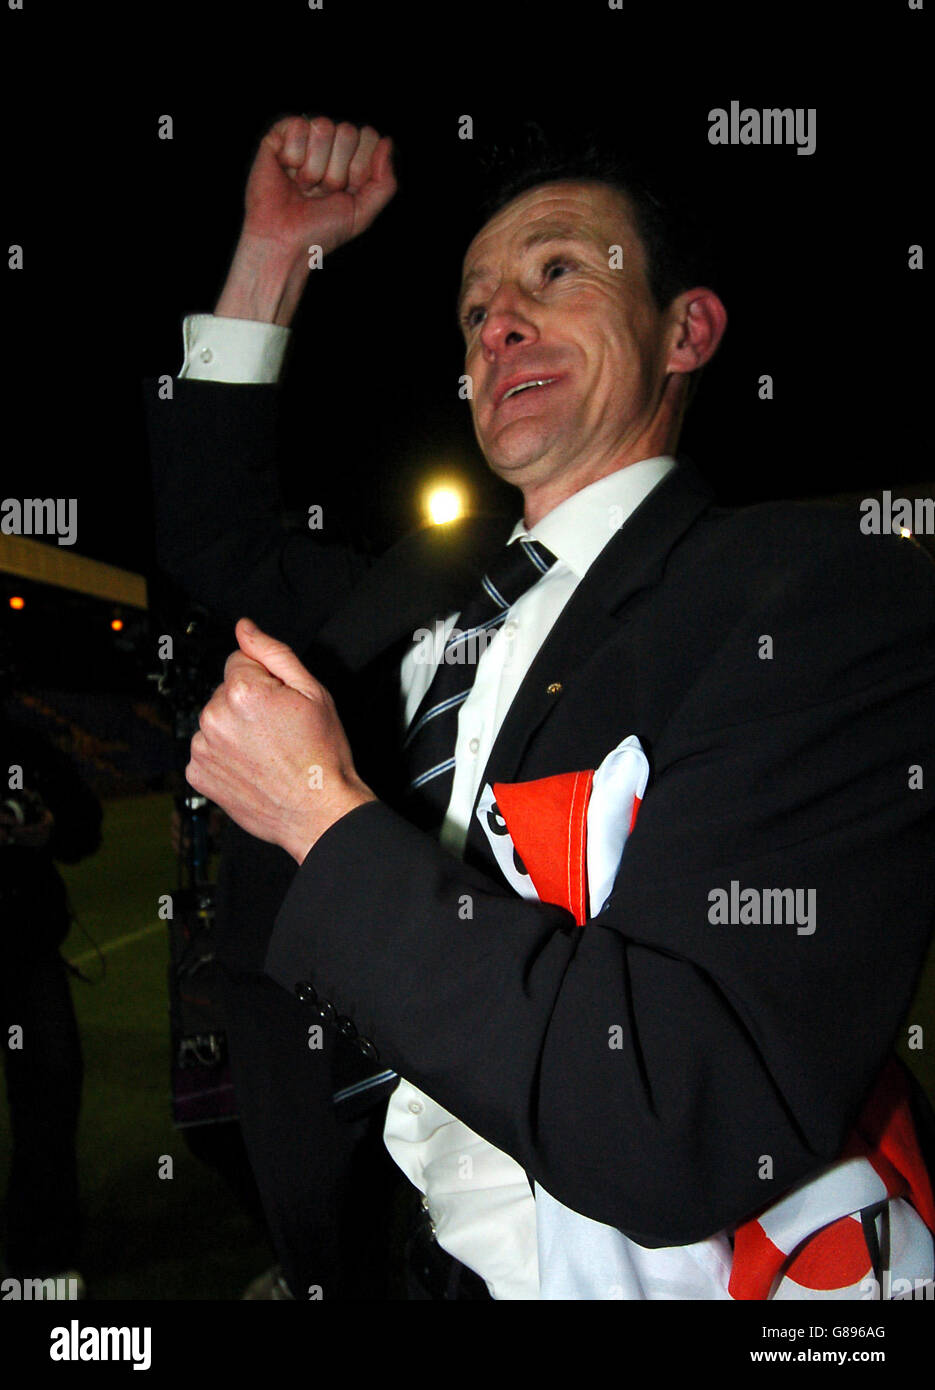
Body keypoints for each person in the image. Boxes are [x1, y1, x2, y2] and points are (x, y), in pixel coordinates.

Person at [150, 114, 935, 1299]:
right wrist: (272, 252)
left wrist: (319, 812)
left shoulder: (808, 595)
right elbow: (211, 537)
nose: (498, 322)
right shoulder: (407, 584)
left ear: (686, 330)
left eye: (555, 272)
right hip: (347, 1248)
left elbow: (680, 1115)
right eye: (472, 311)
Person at [0, 701, 102, 1295]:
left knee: (49, 1093)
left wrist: (48, 829)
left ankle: (38, 1258)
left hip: (26, 951)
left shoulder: (25, 746)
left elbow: (84, 826)